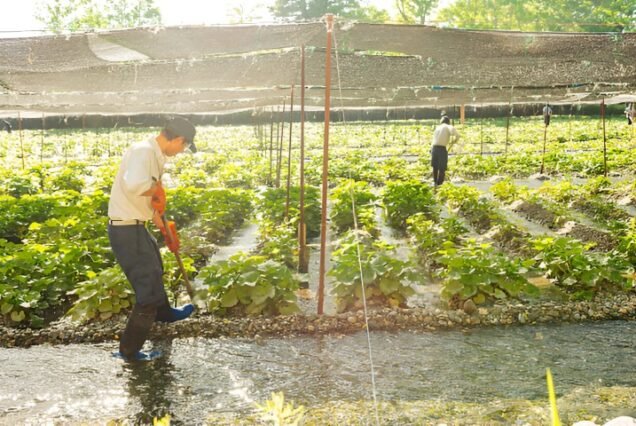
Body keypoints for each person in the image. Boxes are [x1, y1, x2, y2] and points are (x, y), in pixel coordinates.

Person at [108, 116, 197, 361]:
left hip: (137, 225)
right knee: (146, 290)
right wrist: (156, 190)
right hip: (126, 230)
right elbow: (136, 184)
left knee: (155, 266)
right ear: (178, 139)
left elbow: (148, 197)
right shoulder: (144, 152)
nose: (181, 152)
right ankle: (129, 350)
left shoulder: (155, 154)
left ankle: (164, 313)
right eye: (184, 146)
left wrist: (160, 221)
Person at [430, 115, 459, 187]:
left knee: (435, 167)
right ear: (448, 122)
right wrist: (454, 141)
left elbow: (433, 139)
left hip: (434, 148)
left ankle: (435, 183)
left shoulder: (437, 127)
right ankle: (440, 185)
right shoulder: (448, 126)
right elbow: (457, 135)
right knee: (442, 168)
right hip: (442, 149)